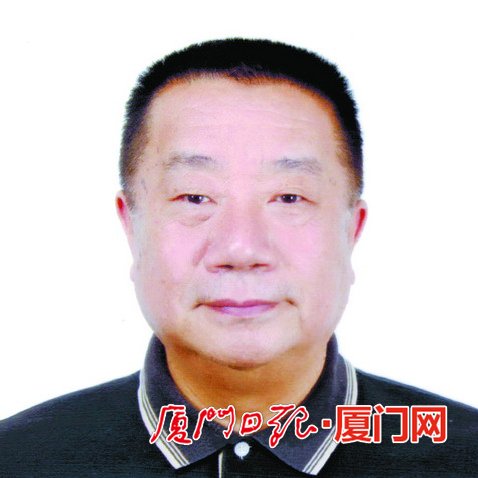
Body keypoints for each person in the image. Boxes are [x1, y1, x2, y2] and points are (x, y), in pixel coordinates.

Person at [0, 38, 476, 477]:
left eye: (289, 197)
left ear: (352, 229)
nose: (242, 249)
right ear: (131, 226)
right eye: (194, 197)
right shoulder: (20, 458)